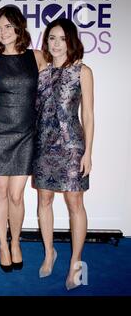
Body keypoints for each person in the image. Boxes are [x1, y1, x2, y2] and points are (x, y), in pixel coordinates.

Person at [0, 5, 46, 272]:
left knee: (17, 196)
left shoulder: (38, 57)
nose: (3, 32)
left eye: (8, 26)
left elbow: (54, 87)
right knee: (1, 191)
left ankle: (15, 242)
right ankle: (2, 245)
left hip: (27, 133)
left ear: (19, 27)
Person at [33, 18, 94, 290]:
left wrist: (88, 152)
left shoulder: (83, 71)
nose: (56, 44)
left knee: (75, 204)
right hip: (44, 144)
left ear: (71, 40)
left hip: (71, 146)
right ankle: (49, 253)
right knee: (44, 200)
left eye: (61, 38)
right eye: (51, 38)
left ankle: (76, 262)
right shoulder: (42, 72)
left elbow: (88, 115)